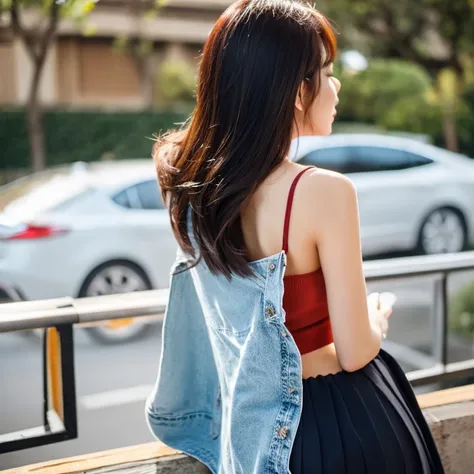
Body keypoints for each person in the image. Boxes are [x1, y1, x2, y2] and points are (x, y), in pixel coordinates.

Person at [145, 1, 445, 473]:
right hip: (340, 424)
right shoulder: (322, 191)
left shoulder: (189, 186)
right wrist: (375, 318)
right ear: (293, 92)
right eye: (325, 72)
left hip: (256, 436)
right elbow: (354, 350)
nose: (336, 84)